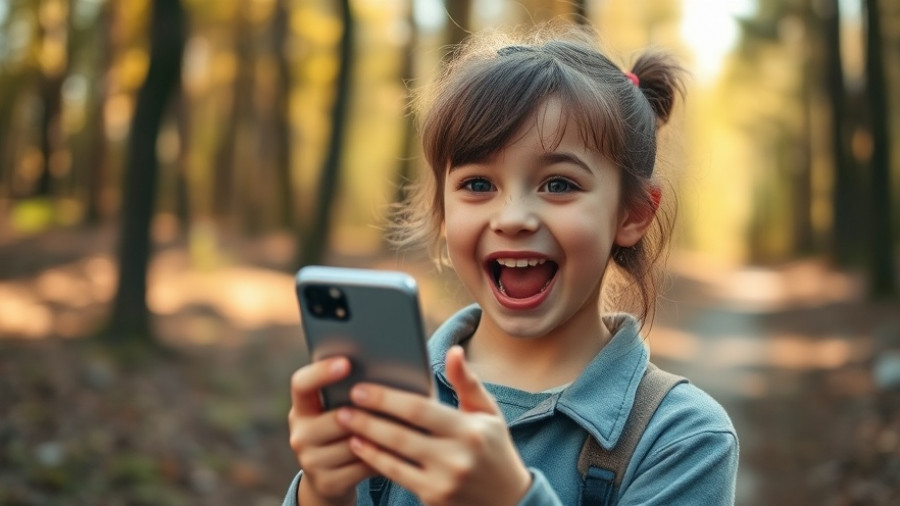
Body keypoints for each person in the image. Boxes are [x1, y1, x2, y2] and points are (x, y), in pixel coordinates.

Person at [284, 21, 739, 506]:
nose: (514, 218)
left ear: (633, 214)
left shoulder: (682, 438)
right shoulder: (386, 402)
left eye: (559, 184)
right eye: (478, 185)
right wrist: (322, 494)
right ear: (442, 212)